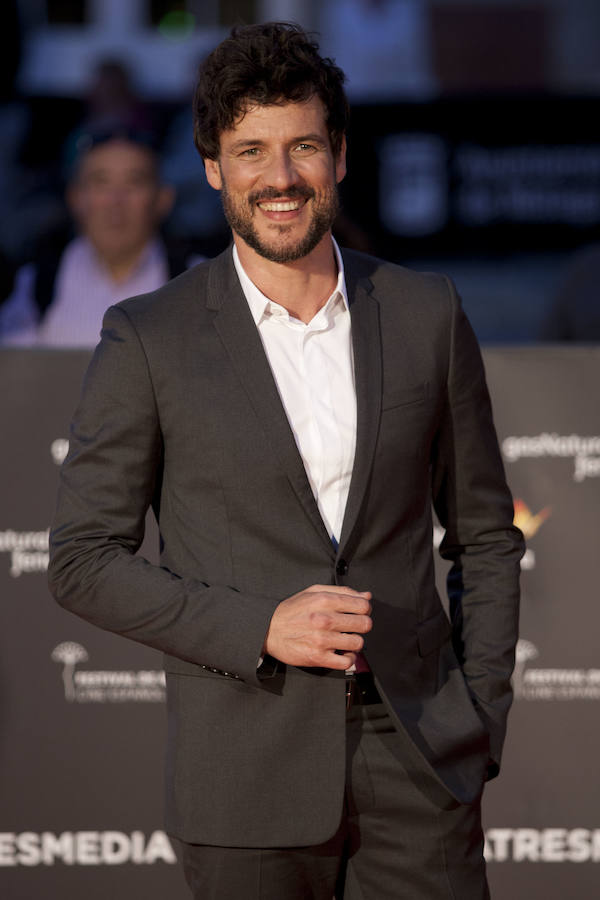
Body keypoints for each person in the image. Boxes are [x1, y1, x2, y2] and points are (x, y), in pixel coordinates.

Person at [48, 23, 523, 899]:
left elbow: (487, 536)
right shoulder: (149, 337)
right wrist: (259, 626)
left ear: (338, 156)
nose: (280, 177)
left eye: (302, 145)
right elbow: (81, 561)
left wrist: (478, 719)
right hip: (245, 773)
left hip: (421, 763)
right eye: (251, 151)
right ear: (213, 169)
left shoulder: (424, 311)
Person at [0, 130, 177, 347]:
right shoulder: (37, 284)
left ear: (162, 199)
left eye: (134, 182)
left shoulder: (203, 281)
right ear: (75, 197)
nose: (116, 201)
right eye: (100, 182)